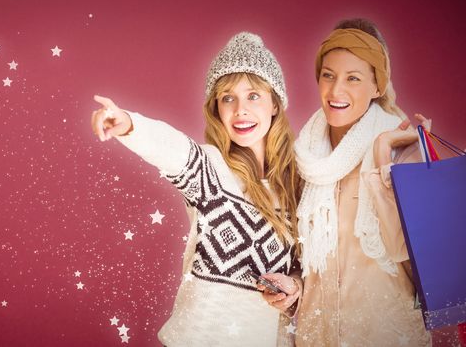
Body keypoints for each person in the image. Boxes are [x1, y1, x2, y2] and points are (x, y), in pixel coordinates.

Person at [90, 32, 303, 346]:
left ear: (275, 104)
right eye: (228, 97)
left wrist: (294, 286)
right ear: (217, 109)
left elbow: (306, 268)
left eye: (253, 95)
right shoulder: (210, 170)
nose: (240, 109)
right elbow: (172, 148)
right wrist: (129, 125)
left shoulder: (298, 185)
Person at [262, 18, 432, 346]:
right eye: (328, 75)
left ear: (378, 86)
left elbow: (413, 258)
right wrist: (294, 287)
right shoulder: (304, 158)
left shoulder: (404, 150)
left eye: (353, 78)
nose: (336, 91)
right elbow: (302, 260)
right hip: (316, 337)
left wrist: (384, 161)